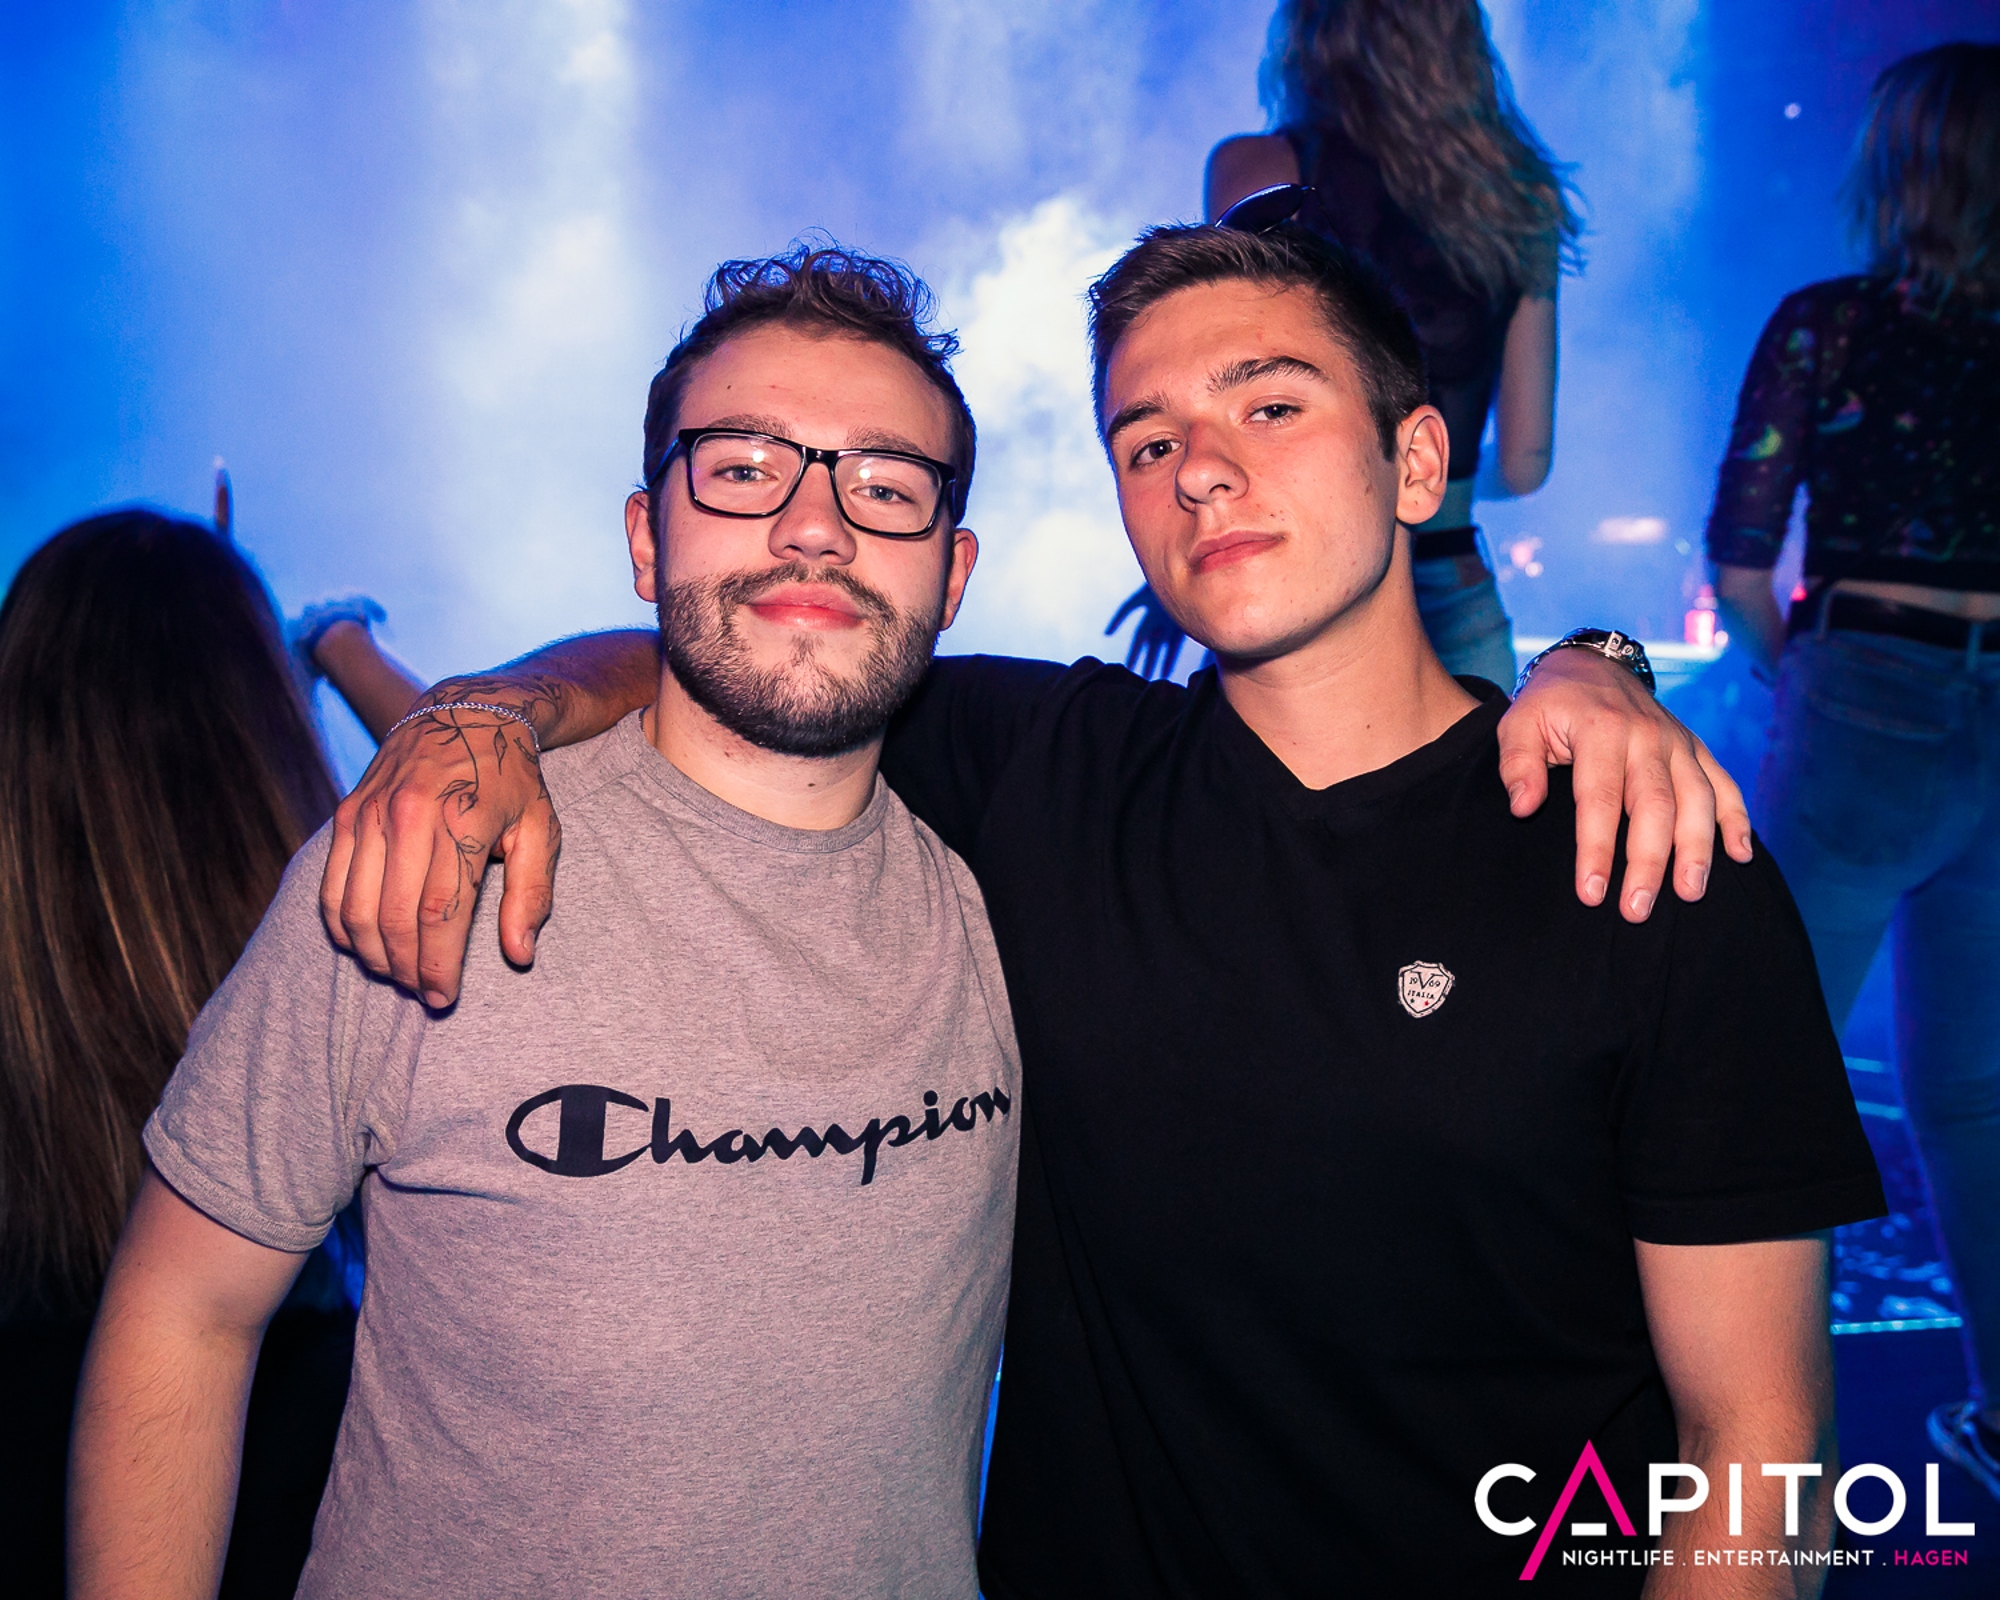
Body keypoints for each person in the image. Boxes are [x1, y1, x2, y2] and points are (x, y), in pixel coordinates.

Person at [318, 221, 1883, 1593]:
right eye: (1147, 442)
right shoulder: (1042, 769)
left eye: (1271, 404)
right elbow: (734, 646)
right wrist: (488, 711)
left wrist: (1593, 662)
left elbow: (1758, 1437)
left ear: (1416, 464)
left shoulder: (1643, 851)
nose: (1202, 466)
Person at [70, 248, 1023, 1600]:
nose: (815, 525)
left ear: (954, 567)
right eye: (744, 467)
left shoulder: (1003, 897)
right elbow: (185, 1309)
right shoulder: (432, 855)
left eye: (884, 484)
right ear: (645, 537)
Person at [0, 507, 414, 1598]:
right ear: (259, 715)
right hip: (286, 1461)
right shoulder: (336, 932)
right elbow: (518, 817)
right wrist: (340, 645)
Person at [1706, 41, 2000, 1504]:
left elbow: (1740, 565)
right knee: (1976, 1093)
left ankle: (1757, 1445)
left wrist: (1802, 678)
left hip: (1863, 690)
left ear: (1893, 171)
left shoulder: (1827, 324)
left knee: (1765, 1080)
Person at [1111, 0, 1579, 686]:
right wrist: (1430, 480)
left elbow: (1224, 383)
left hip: (1295, 572)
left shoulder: (1259, 169)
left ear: (1307, 31)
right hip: (1453, 584)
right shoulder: (1522, 199)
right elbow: (1526, 462)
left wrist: (1198, 549)